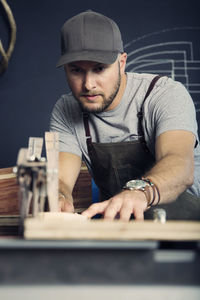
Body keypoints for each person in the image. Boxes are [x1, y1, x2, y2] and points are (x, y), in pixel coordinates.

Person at [50, 10, 200, 221]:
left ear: (121, 63)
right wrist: (59, 197)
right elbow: (61, 179)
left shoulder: (164, 94)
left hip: (184, 222)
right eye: (76, 70)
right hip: (120, 225)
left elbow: (180, 166)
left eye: (99, 69)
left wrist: (140, 193)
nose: (88, 84)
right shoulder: (66, 109)